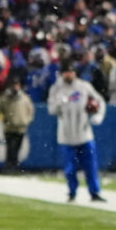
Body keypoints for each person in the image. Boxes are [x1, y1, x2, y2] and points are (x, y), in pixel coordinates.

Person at [47, 59, 107, 203]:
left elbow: (100, 101)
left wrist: (99, 116)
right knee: (70, 168)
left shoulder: (84, 86)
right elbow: (51, 110)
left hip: (84, 133)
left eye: (71, 72)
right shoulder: (56, 89)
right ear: (62, 74)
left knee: (91, 166)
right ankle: (72, 193)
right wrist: (60, 103)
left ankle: (94, 192)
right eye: (66, 72)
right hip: (66, 135)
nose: (69, 75)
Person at [0, 72, 35, 173]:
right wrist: (3, 119)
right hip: (9, 127)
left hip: (20, 127)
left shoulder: (24, 98)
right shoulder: (5, 98)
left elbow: (30, 111)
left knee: (17, 148)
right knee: (10, 148)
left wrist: (26, 121)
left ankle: (14, 166)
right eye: (14, 85)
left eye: (17, 85)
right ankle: (9, 166)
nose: (15, 87)